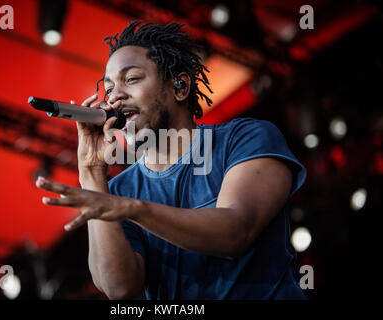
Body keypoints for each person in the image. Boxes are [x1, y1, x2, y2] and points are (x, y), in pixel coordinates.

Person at [36, 21, 307, 300]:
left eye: (131, 79)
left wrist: (131, 209)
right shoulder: (119, 192)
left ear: (180, 87)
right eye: (109, 88)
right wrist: (92, 173)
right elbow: (121, 289)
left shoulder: (244, 138)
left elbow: (235, 232)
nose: (114, 96)